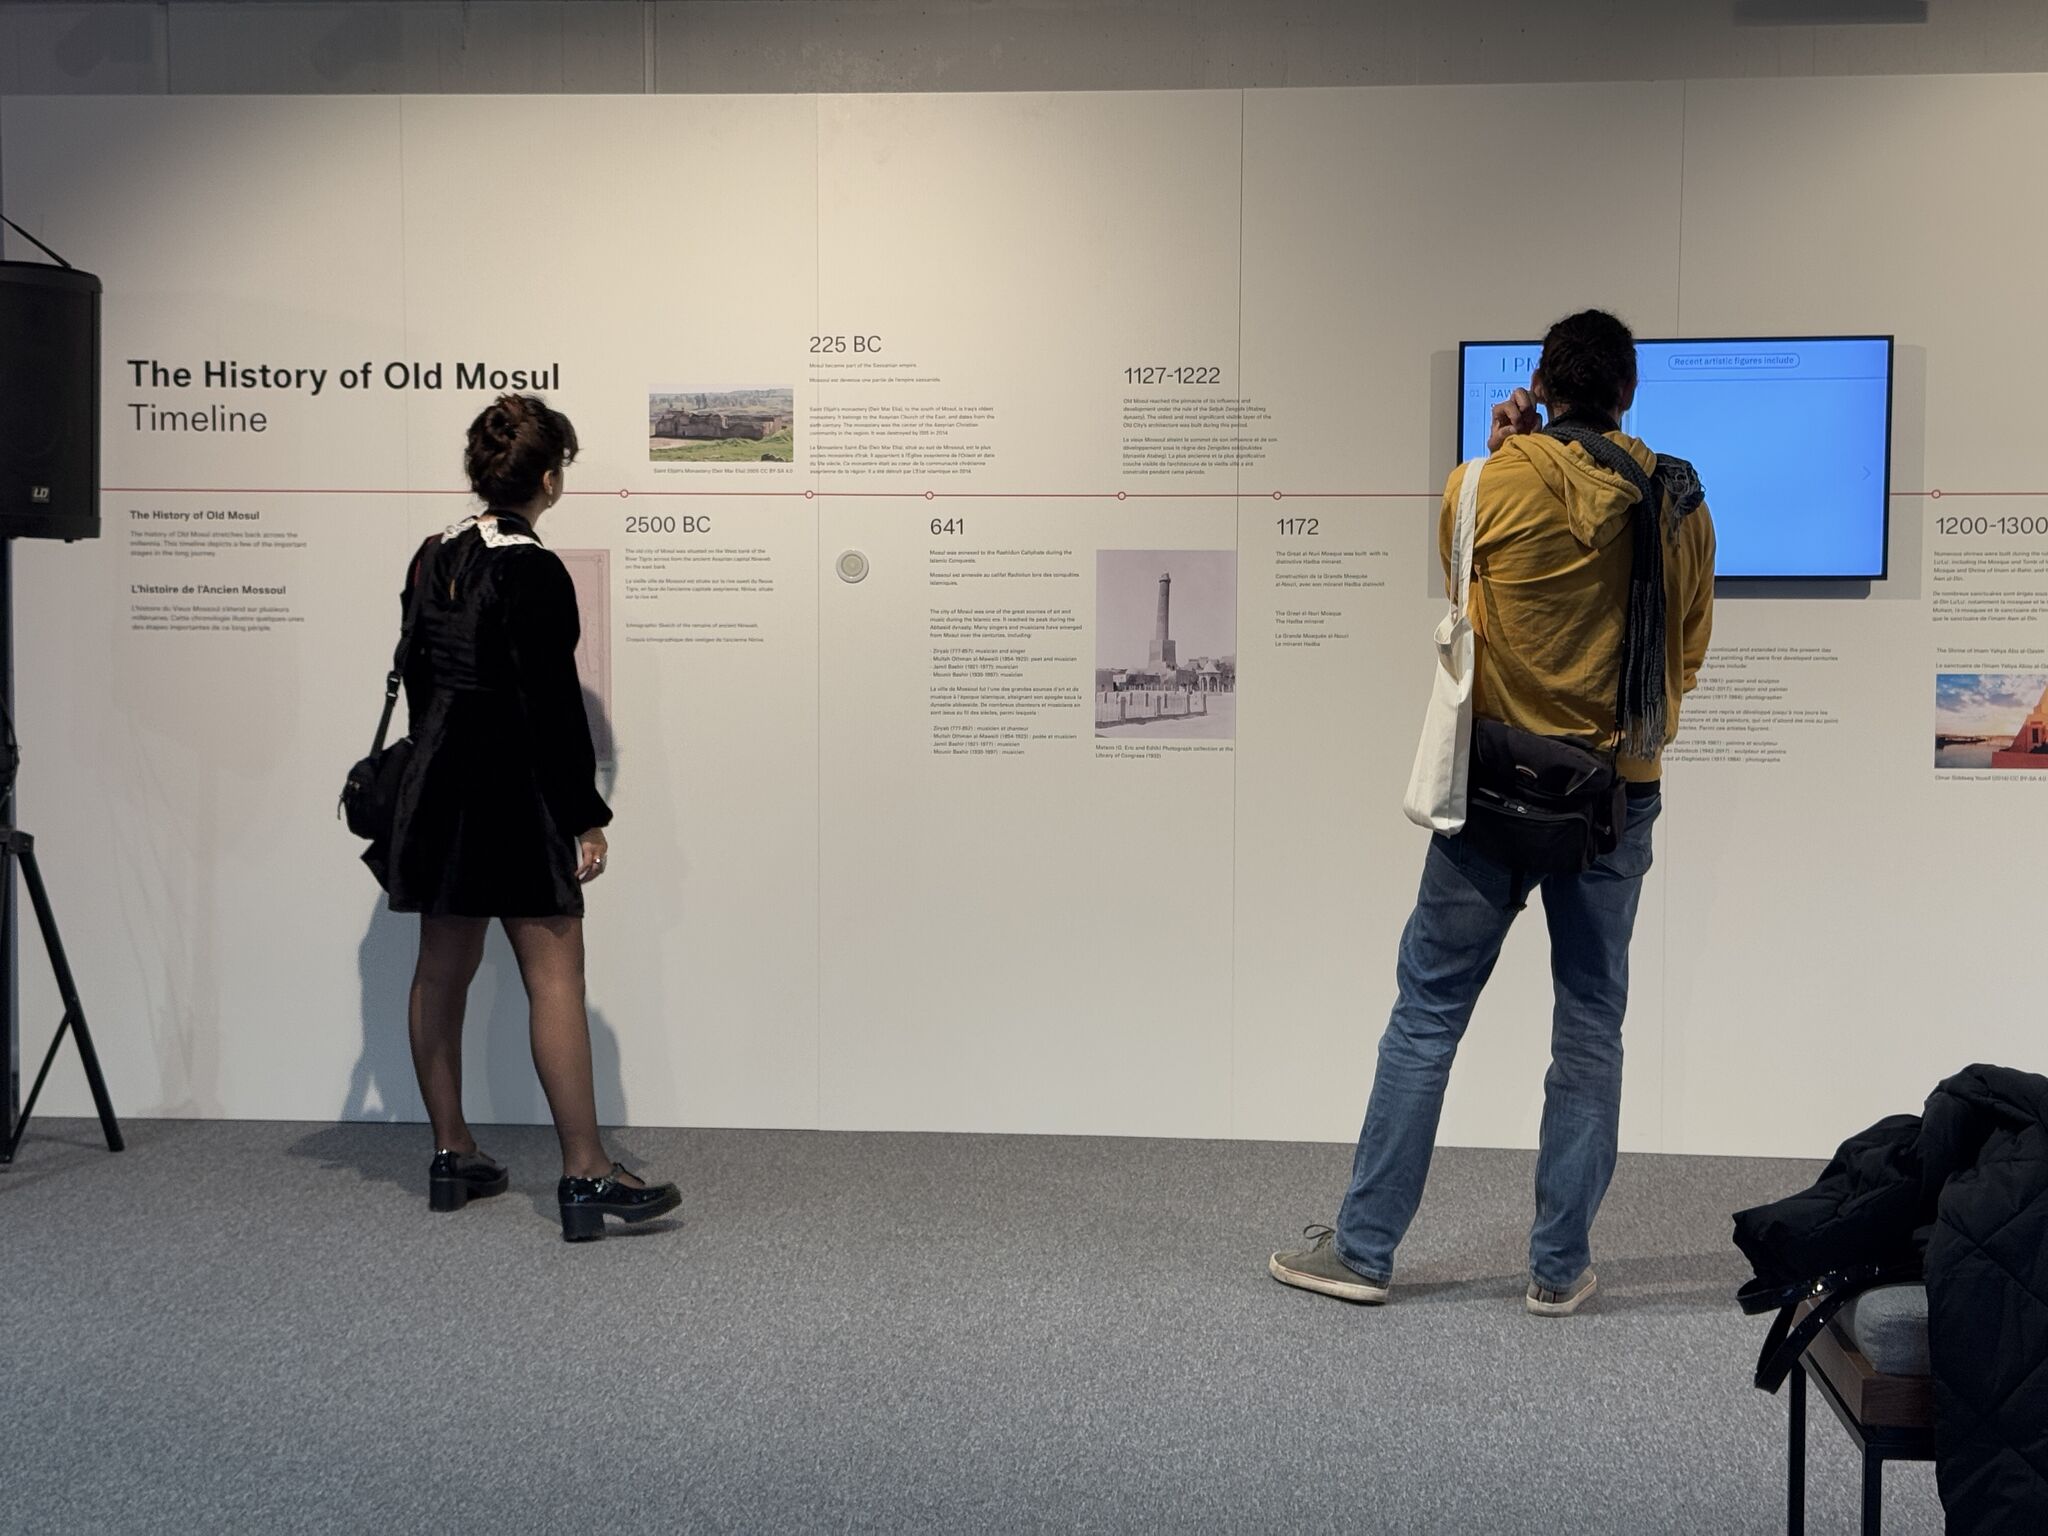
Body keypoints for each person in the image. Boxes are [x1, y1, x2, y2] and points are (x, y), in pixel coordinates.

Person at [1270, 310, 1715, 1314]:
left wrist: (1501, 456)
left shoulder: (1476, 486)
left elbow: (1462, 597)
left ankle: (1365, 1251)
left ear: (1541, 386)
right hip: (1615, 801)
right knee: (1590, 1024)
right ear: (1628, 394)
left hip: (1491, 793)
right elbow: (1686, 652)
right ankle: (1557, 1270)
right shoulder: (1677, 499)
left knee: (1425, 1015)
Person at [365, 393, 680, 1243]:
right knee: (555, 983)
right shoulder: (534, 569)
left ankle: (452, 1154)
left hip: (436, 798)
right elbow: (552, 711)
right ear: (549, 478)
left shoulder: (433, 555)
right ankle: (584, 1174)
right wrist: (586, 817)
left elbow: (425, 687)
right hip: (512, 799)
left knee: (439, 974)